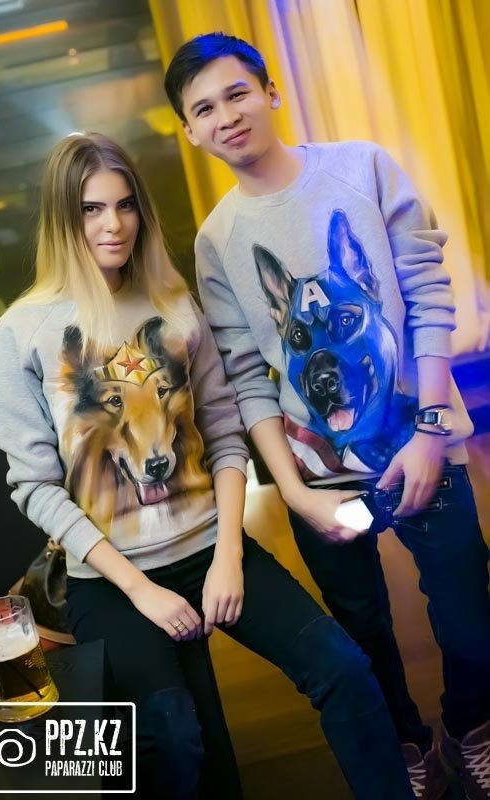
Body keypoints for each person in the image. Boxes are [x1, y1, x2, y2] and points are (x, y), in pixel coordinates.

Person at [0, 132, 415, 800]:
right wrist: (140, 590)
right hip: (111, 581)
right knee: (175, 737)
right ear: (63, 217)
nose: (113, 224)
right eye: (91, 209)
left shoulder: (172, 304)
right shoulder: (22, 331)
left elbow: (222, 429)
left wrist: (228, 557)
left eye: (125, 205)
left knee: (344, 670)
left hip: (209, 547)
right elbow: (34, 486)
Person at [164, 32, 490, 800]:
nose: (225, 116)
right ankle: (407, 745)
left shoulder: (362, 168)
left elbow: (426, 294)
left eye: (236, 93)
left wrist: (430, 431)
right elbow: (246, 377)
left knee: (470, 619)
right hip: (319, 477)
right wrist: (294, 492)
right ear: (189, 132)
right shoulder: (216, 241)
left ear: (270, 93)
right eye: (203, 109)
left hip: (422, 443)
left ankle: (469, 728)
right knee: (362, 630)